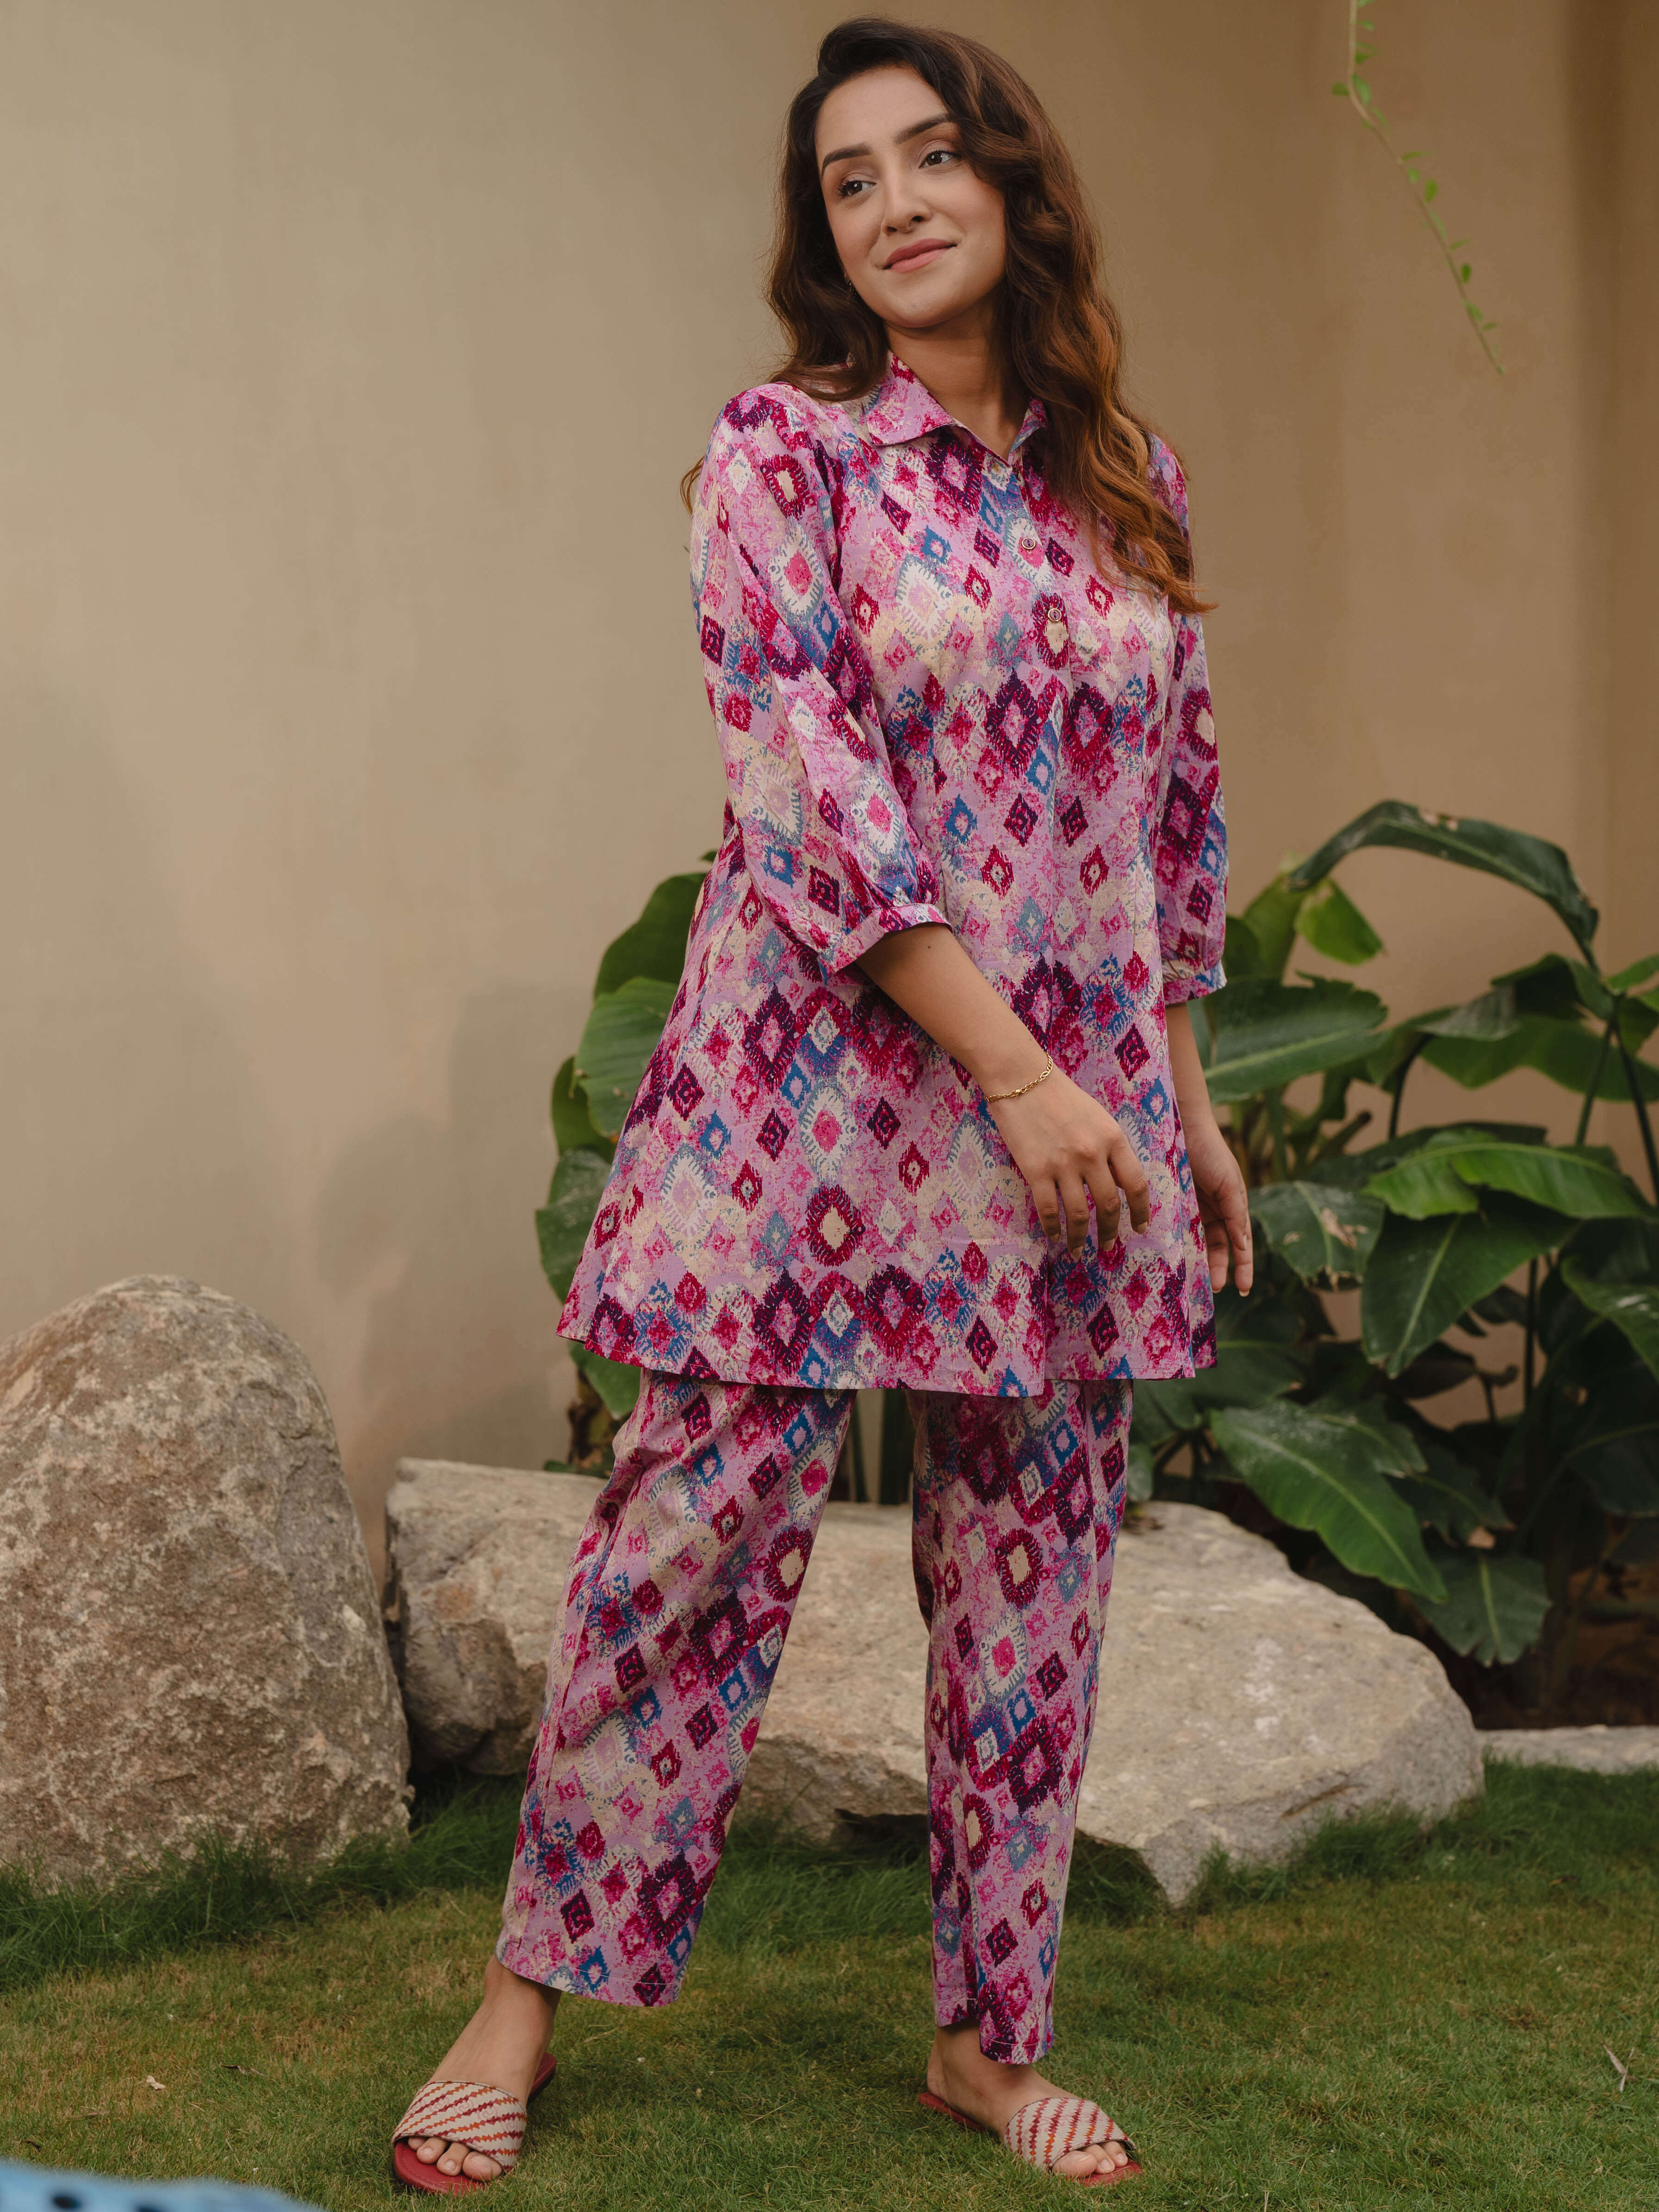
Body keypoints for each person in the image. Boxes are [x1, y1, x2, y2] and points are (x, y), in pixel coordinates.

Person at [393, 16, 1250, 2193]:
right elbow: (813, 807)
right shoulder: (787, 455)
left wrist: (1182, 1096)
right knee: (682, 1550)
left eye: (931, 156)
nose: (893, 204)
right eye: (849, 180)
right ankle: (522, 2002)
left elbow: (1171, 815)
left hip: (1074, 1133)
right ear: (823, 234)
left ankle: (987, 2037)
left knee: (1036, 1574)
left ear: (1014, 181)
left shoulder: (1127, 476)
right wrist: (1021, 1072)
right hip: (811, 1111)